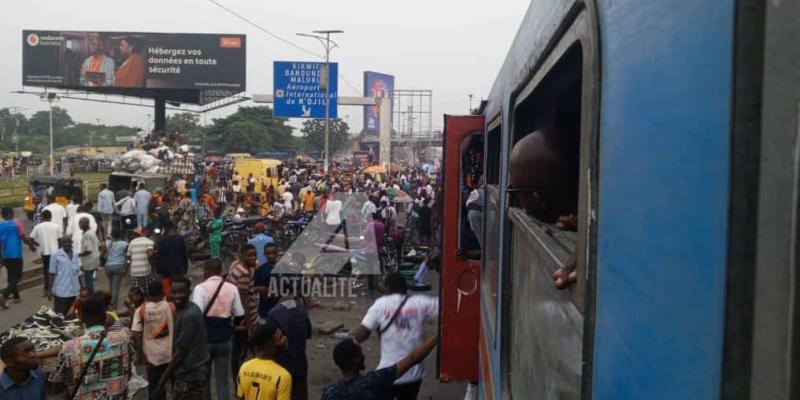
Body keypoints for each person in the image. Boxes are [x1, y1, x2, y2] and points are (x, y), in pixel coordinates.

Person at [352, 273, 440, 399]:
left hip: (387, 373)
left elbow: (361, 335)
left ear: (387, 288)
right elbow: (447, 309)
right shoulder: (420, 302)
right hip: (413, 374)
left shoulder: (380, 305)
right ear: (406, 287)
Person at [50, 297, 131, 399]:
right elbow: (128, 372)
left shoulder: (68, 347)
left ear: (81, 318)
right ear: (105, 316)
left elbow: (57, 387)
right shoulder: (122, 338)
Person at [322, 335, 438, 400]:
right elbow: (413, 358)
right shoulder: (373, 381)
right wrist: (438, 334)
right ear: (357, 360)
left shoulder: (329, 392)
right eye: (360, 352)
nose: (363, 355)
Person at [192, 260, 245, 400]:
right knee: (222, 380)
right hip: (224, 339)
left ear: (206, 272)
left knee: (205, 379)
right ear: (220, 270)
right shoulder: (231, 288)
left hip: (205, 340)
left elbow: (197, 315)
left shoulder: (200, 288)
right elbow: (239, 313)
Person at [156, 276, 210, 400]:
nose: (177, 296)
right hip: (187, 373)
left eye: (182, 292)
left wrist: (162, 382)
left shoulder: (190, 315)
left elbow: (180, 352)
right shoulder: (181, 310)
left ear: (189, 293)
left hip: (191, 375)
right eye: (174, 292)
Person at [132, 280, 175, 400]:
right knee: (175, 386)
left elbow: (135, 334)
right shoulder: (171, 307)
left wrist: (142, 355)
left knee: (154, 388)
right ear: (163, 293)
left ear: (148, 294)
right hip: (171, 355)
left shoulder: (141, 310)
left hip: (151, 357)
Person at [266, 293, 312, 400]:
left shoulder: (273, 314)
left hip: (282, 364)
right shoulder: (301, 309)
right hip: (300, 362)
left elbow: (269, 342)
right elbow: (309, 333)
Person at [235, 322, 291, 400]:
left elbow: (241, 398)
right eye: (280, 337)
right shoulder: (283, 376)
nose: (284, 339)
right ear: (269, 345)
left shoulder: (244, 368)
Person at [228, 244, 259, 381]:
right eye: (250, 255)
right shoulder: (245, 273)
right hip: (245, 318)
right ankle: (240, 380)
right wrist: (250, 324)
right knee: (241, 351)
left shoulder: (236, 265)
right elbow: (243, 300)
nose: (253, 258)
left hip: (236, 316)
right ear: (242, 256)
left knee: (239, 350)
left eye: (255, 255)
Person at [0, 207, 36, 305]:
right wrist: (31, 245)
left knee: (11, 277)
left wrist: (1, 258)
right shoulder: (16, 224)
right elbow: (23, 237)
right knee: (17, 277)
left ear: (3, 215)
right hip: (15, 254)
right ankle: (4, 296)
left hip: (6, 255)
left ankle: (16, 297)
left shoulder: (0, 226)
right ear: (11, 214)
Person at [29, 210, 62, 298]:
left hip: (45, 253)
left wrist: (37, 245)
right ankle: (56, 288)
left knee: (46, 271)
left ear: (42, 217)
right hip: (55, 252)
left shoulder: (38, 227)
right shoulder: (56, 226)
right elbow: (60, 240)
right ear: (51, 217)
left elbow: (31, 238)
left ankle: (46, 289)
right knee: (56, 271)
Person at [49, 238, 81, 316]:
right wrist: (49, 290)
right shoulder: (55, 255)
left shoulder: (76, 254)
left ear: (71, 242)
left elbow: (78, 273)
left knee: (73, 314)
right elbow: (51, 273)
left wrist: (82, 287)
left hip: (74, 290)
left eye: (68, 241)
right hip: (61, 291)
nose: (67, 244)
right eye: (64, 242)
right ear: (61, 243)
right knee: (60, 315)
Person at [155, 220, 188, 293]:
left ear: (165, 228)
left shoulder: (161, 241)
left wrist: (158, 270)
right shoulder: (180, 239)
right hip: (179, 270)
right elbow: (184, 255)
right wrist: (185, 268)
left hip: (165, 272)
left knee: (167, 292)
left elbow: (158, 257)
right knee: (179, 291)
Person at [253, 243, 280, 322]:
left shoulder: (285, 268)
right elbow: (253, 288)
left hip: (281, 309)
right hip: (265, 309)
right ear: (265, 254)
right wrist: (261, 289)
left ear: (277, 253)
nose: (271, 256)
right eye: (269, 253)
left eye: (273, 253)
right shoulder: (260, 270)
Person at [127, 226, 156, 293]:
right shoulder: (149, 242)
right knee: (147, 291)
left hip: (134, 271)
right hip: (145, 271)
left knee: (136, 292)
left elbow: (128, 256)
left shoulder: (132, 242)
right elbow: (150, 254)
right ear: (148, 233)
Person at [104, 228, 128, 309]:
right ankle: (114, 306)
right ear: (120, 235)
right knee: (116, 288)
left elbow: (102, 255)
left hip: (108, 266)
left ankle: (109, 304)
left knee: (111, 286)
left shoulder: (107, 243)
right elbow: (127, 255)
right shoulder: (124, 244)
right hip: (119, 265)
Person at [78, 217, 100, 293]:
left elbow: (89, 250)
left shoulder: (87, 235)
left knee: (88, 282)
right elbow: (98, 244)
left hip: (89, 261)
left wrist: (79, 255)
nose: (79, 225)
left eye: (80, 223)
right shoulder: (92, 232)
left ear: (85, 224)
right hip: (94, 259)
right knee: (88, 280)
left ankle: (90, 295)